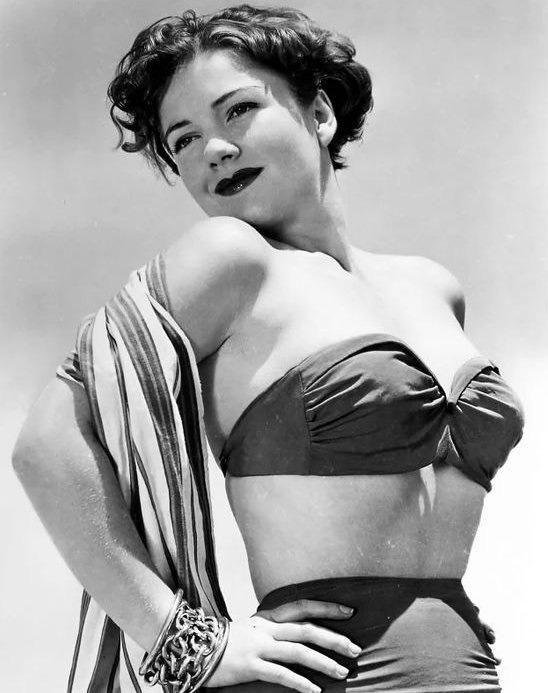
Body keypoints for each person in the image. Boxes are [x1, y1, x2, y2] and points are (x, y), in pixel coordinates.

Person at [12, 4, 524, 692]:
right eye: (184, 140)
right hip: (320, 677)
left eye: (238, 111)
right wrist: (182, 639)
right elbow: (46, 444)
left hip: (463, 669)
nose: (214, 149)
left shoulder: (434, 288)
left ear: (321, 113)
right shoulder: (228, 261)